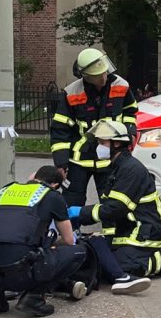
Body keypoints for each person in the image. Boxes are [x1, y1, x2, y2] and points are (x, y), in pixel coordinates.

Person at [69, 120, 161, 286]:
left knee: (120, 268)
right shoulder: (117, 166)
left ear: (117, 143)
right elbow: (110, 206)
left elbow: (115, 208)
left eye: (102, 142)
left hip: (144, 233)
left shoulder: (131, 169)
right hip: (127, 230)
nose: (98, 147)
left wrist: (80, 213)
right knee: (98, 262)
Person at [0, 166, 89, 317]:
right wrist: (50, 246)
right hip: (22, 270)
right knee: (78, 251)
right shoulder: (52, 196)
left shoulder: (2, 192)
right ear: (55, 185)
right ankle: (34, 298)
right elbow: (69, 240)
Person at [50, 48, 139, 207]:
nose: (104, 77)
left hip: (110, 157)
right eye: (99, 75)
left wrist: (129, 132)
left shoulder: (121, 86)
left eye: (105, 72)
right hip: (78, 160)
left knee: (111, 203)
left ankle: (112, 232)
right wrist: (61, 163)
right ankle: (72, 232)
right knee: (72, 202)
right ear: (87, 77)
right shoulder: (72, 93)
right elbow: (60, 131)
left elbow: (130, 111)